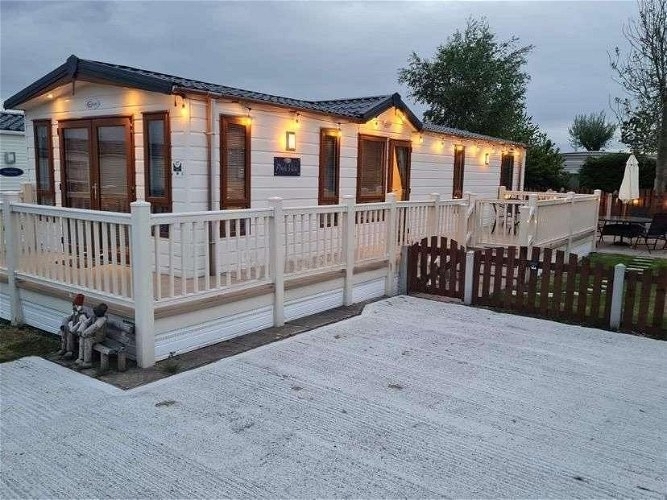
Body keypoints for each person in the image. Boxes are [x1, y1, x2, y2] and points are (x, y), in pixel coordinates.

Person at [75, 303, 108, 369]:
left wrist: (85, 333)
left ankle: (87, 362)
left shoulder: (102, 319)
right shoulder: (94, 316)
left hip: (99, 337)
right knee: (82, 338)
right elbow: (86, 322)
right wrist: (80, 330)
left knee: (87, 340)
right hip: (92, 335)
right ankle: (81, 358)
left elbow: (94, 327)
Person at [58, 294, 88, 359]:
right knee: (64, 330)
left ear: (81, 306)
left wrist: (79, 323)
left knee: (70, 334)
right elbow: (70, 317)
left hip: (79, 330)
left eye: (77, 305)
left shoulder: (83, 315)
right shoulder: (74, 311)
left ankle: (70, 351)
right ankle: (63, 348)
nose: (76, 307)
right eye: (75, 305)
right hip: (73, 328)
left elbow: (85, 323)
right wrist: (65, 323)